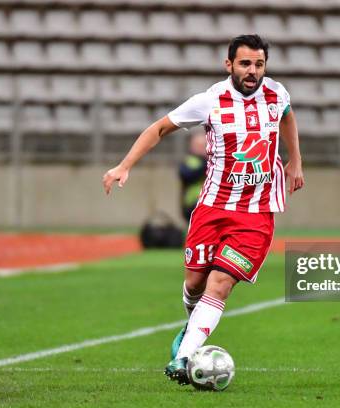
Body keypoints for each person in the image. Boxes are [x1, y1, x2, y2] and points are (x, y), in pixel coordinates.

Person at [102, 34, 304, 385]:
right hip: (212, 207)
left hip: (255, 214)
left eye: (258, 64)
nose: (252, 71)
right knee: (194, 283)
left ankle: (183, 358)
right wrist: (124, 165)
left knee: (220, 282)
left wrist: (295, 161)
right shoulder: (209, 101)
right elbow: (160, 128)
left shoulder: (277, 94)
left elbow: (287, 117)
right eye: (245, 64)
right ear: (229, 65)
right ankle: (191, 330)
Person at [178, 129, 207, 223]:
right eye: (198, 145)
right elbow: (187, 175)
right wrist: (206, 163)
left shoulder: (216, 161)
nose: (201, 149)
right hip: (192, 203)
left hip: (210, 202)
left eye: (203, 146)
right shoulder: (189, 160)